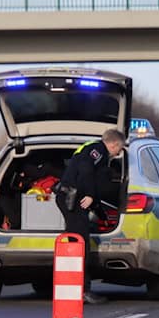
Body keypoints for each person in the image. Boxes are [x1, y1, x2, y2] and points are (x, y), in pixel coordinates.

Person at [55, 129, 126, 304]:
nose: (119, 152)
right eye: (120, 148)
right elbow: (86, 169)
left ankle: (75, 288)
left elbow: (90, 175)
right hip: (73, 198)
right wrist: (90, 194)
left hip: (71, 197)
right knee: (80, 244)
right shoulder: (98, 150)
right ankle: (82, 290)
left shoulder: (92, 149)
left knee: (78, 242)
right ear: (114, 144)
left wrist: (98, 209)